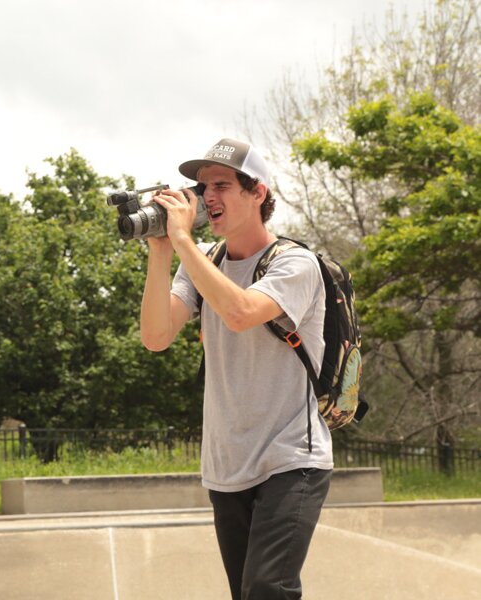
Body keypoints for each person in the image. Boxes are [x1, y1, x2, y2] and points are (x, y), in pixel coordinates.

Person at [139, 138, 333, 599]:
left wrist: (184, 240)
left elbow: (242, 312)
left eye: (222, 185)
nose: (208, 198)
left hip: (291, 458)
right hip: (227, 465)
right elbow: (155, 337)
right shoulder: (202, 261)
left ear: (257, 193)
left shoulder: (295, 263)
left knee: (268, 589)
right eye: (202, 187)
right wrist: (162, 250)